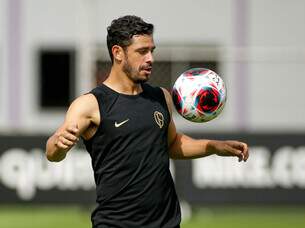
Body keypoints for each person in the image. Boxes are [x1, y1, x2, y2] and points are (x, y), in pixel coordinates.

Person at [46, 15, 249, 228]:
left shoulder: (161, 97)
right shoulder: (90, 104)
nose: (150, 58)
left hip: (166, 223)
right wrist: (58, 145)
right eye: (142, 51)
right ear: (118, 53)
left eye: (152, 50)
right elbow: (52, 152)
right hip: (116, 224)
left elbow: (172, 145)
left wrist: (215, 146)